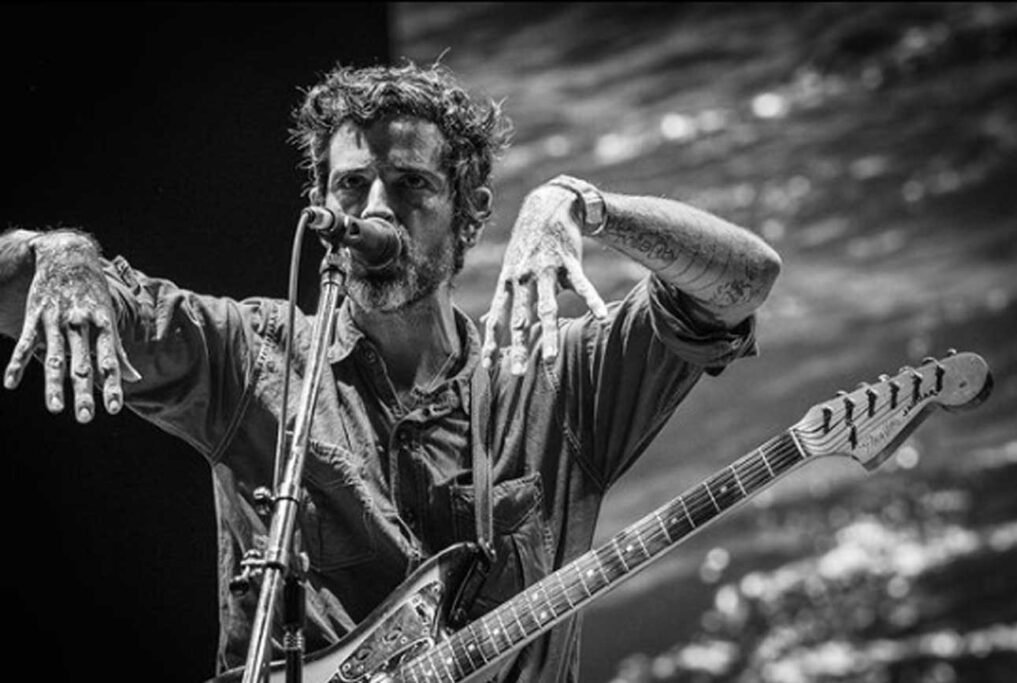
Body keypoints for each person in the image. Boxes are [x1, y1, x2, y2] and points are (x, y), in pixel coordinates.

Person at [0, 62, 780, 681]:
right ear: (319, 205)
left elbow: (745, 281)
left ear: (469, 211)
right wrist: (61, 254)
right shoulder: (249, 355)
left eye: (410, 185)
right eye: (351, 185)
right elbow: (19, 287)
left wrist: (585, 205)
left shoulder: (557, 372)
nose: (373, 210)